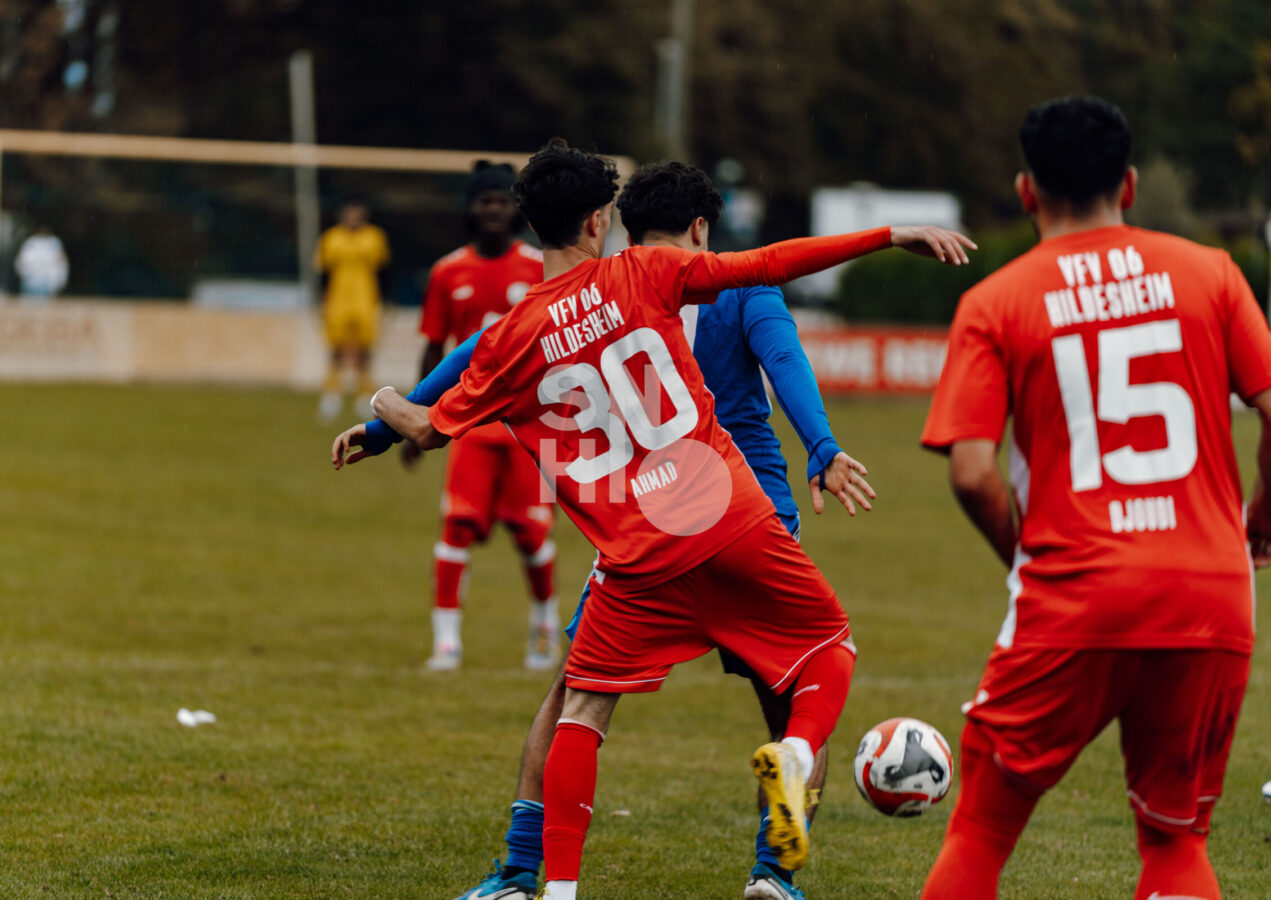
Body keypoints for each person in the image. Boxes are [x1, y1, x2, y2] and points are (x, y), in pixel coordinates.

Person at [333, 139, 973, 900]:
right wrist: (887, 237)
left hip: (633, 545)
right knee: (816, 662)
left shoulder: (516, 334)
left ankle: (540, 881)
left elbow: (441, 401)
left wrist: (383, 410)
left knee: (578, 706)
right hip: (733, 512)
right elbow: (775, 287)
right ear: (602, 220)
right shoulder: (650, 274)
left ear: (534, 223)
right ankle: (779, 848)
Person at [918, 95, 1271, 900]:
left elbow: (971, 472)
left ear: (1025, 193)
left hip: (1075, 592)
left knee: (981, 830)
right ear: (1131, 185)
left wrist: (1022, 558)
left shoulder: (996, 301)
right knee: (1175, 839)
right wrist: (1261, 516)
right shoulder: (1212, 274)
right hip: (1209, 593)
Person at [408, 162, 558, 672]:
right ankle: (446, 643)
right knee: (456, 527)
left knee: (531, 534)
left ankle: (544, 626)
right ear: (471, 209)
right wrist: (413, 421)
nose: (493, 209)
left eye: (502, 200)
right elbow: (434, 350)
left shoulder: (539, 267)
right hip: (469, 426)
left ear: (517, 210)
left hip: (529, 429)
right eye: (484, 201)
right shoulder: (448, 272)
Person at [315, 197, 390, 422]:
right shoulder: (331, 238)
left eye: (357, 212)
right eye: (350, 212)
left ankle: (365, 397)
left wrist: (387, 299)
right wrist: (321, 300)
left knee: (364, 351)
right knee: (336, 349)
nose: (353, 217)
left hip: (365, 299)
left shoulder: (374, 237)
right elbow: (324, 273)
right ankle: (331, 396)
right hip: (338, 300)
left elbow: (384, 272)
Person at [15, 224, 68, 299]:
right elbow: (20, 260)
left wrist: (59, 281)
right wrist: (24, 274)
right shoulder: (31, 242)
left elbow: (61, 263)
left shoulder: (54, 243)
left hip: (48, 284)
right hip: (30, 282)